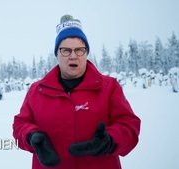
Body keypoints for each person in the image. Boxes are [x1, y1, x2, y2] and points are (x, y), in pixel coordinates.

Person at [12, 14, 141, 169]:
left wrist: (110, 140)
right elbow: (20, 124)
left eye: (79, 50)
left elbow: (129, 126)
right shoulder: (36, 90)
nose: (73, 56)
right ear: (57, 54)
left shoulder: (109, 87)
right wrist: (31, 135)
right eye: (66, 50)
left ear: (86, 53)